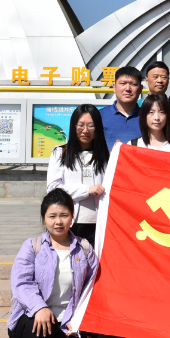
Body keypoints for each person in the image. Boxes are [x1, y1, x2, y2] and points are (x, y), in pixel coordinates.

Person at [9, 188, 97, 338]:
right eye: (52, 216)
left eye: (64, 215)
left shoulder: (84, 248)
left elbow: (92, 286)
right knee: (38, 320)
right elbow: (21, 282)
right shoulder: (32, 247)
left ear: (72, 217)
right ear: (44, 218)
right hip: (31, 321)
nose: (58, 221)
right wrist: (39, 307)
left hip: (66, 322)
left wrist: (79, 321)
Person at [127, 93, 170, 338]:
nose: (157, 117)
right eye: (151, 112)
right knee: (142, 283)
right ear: (143, 116)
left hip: (169, 225)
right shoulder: (133, 146)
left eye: (161, 111)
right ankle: (142, 336)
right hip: (141, 224)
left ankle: (166, 335)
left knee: (167, 282)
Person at [46, 104, 109, 248]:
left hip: (99, 224)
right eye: (80, 125)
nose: (85, 130)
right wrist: (87, 191)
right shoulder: (60, 153)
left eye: (91, 126)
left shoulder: (107, 155)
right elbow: (53, 188)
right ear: (73, 126)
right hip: (70, 223)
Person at [101, 66, 143, 149]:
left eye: (133, 84)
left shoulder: (148, 117)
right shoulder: (100, 116)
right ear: (114, 87)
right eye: (123, 83)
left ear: (141, 89)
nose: (127, 88)